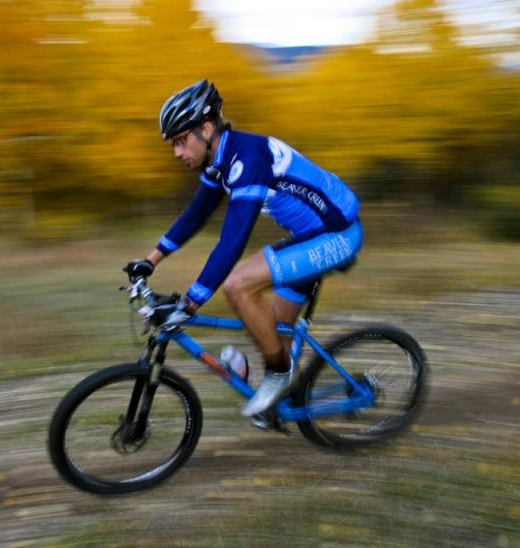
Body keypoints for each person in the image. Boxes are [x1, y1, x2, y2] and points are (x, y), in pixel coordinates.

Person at [126, 79, 362, 421]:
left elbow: (232, 241)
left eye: (180, 141)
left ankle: (278, 377)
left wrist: (190, 303)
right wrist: (151, 260)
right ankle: (277, 387)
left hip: (337, 236)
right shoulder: (219, 161)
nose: (177, 152)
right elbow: (196, 215)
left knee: (238, 285)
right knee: (271, 334)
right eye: (173, 144)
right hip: (310, 237)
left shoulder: (247, 160)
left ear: (206, 129)